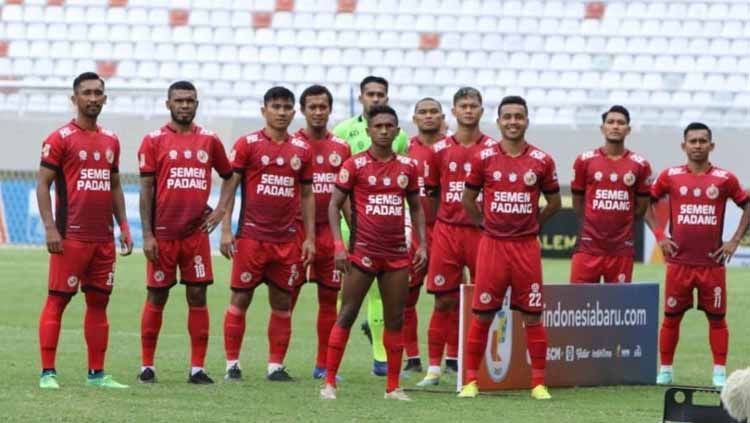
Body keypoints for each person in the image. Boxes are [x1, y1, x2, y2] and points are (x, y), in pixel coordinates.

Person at [320, 105, 427, 401]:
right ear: (368, 131)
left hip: (396, 254)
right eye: (377, 126)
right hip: (362, 252)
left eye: (388, 126)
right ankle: (329, 382)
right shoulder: (354, 165)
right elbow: (333, 205)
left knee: (395, 320)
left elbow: (416, 208)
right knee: (347, 314)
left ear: (396, 131)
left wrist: (423, 244)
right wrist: (339, 247)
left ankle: (393, 387)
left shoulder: (408, 167)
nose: (383, 131)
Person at [459, 96, 561, 400]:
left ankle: (539, 383)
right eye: (507, 117)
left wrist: (533, 224)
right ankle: (471, 381)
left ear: (526, 121)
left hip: (525, 248)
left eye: (519, 116)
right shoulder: (484, 158)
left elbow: (554, 202)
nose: (513, 122)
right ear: (499, 121)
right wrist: (484, 224)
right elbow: (468, 199)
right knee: (483, 314)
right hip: (493, 247)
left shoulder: (542, 160)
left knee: (532, 315)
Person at [36, 72, 133, 389]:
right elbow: (43, 184)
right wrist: (51, 228)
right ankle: (48, 372)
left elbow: (114, 185)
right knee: (58, 301)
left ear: (105, 98)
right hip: (71, 237)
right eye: (87, 92)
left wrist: (124, 227)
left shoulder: (111, 140)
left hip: (103, 239)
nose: (93, 98)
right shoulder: (59, 138)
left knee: (99, 304)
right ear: (74, 98)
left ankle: (97, 374)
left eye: (98, 93)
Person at [216, 86, 315, 382]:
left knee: (283, 302)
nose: (282, 112)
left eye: (287, 107)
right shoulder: (247, 144)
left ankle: (275, 366)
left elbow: (308, 195)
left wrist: (308, 237)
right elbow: (231, 186)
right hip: (251, 238)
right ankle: (232, 363)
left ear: (293, 112)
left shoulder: (302, 150)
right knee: (240, 298)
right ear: (264, 111)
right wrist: (225, 228)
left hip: (286, 240)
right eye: (276, 107)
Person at [136, 81, 232, 384]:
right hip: (163, 235)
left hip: (195, 236)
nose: (185, 105)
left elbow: (230, 177)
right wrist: (148, 235)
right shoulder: (153, 141)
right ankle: (147, 366)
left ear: (197, 104)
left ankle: (197, 368)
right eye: (179, 100)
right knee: (158, 295)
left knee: (197, 294)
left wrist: (220, 210)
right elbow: (146, 190)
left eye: (190, 100)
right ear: (168, 104)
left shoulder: (209, 140)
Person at [646, 122, 749, 388]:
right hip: (679, 264)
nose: (698, 145)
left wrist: (734, 241)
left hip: (711, 264)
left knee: (717, 319)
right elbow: (646, 201)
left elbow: (747, 205)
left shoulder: (724, 179)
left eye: (703, 141)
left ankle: (718, 372)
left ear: (711, 146)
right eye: (693, 141)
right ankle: (666, 370)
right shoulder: (670, 176)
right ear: (684, 145)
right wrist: (660, 236)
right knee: (671, 318)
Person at [417, 87, 495, 387]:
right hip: (447, 233)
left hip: (480, 233)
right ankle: (434, 369)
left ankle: (473, 366)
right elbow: (433, 193)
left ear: (481, 110)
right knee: (443, 301)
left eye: (473, 105)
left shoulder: (493, 150)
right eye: (463, 105)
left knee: (483, 301)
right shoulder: (440, 151)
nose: (468, 110)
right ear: (454, 111)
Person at [332, 75, 409, 375]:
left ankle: (380, 358)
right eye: (370, 94)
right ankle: (332, 366)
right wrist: (351, 221)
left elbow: (399, 178)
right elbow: (342, 183)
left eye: (381, 94)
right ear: (361, 97)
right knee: (346, 295)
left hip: (387, 224)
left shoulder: (399, 138)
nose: (376, 99)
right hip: (353, 224)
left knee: (382, 295)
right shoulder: (343, 132)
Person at [293, 85, 352, 380]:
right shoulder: (291, 144)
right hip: (295, 230)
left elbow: (347, 197)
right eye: (312, 107)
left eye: (323, 107)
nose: (318, 112)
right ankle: (275, 363)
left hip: (329, 232)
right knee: (285, 297)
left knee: (329, 299)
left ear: (330, 110)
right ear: (302, 110)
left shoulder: (341, 148)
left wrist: (356, 231)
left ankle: (323, 365)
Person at [570, 105, 652, 283]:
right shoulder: (585, 160)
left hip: (621, 249)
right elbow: (577, 202)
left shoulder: (640, 165)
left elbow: (641, 207)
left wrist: (622, 225)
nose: (615, 126)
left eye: (621, 123)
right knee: (578, 304)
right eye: (611, 122)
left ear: (628, 130)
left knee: (618, 307)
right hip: (588, 247)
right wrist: (591, 224)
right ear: (603, 128)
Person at [401, 98, 443, 375]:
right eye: (423, 113)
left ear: (442, 116)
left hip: (445, 230)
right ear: (415, 118)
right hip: (415, 231)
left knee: (448, 297)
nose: (428, 117)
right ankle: (413, 357)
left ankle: (450, 358)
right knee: (406, 296)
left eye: (433, 112)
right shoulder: (406, 150)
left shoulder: (451, 149)